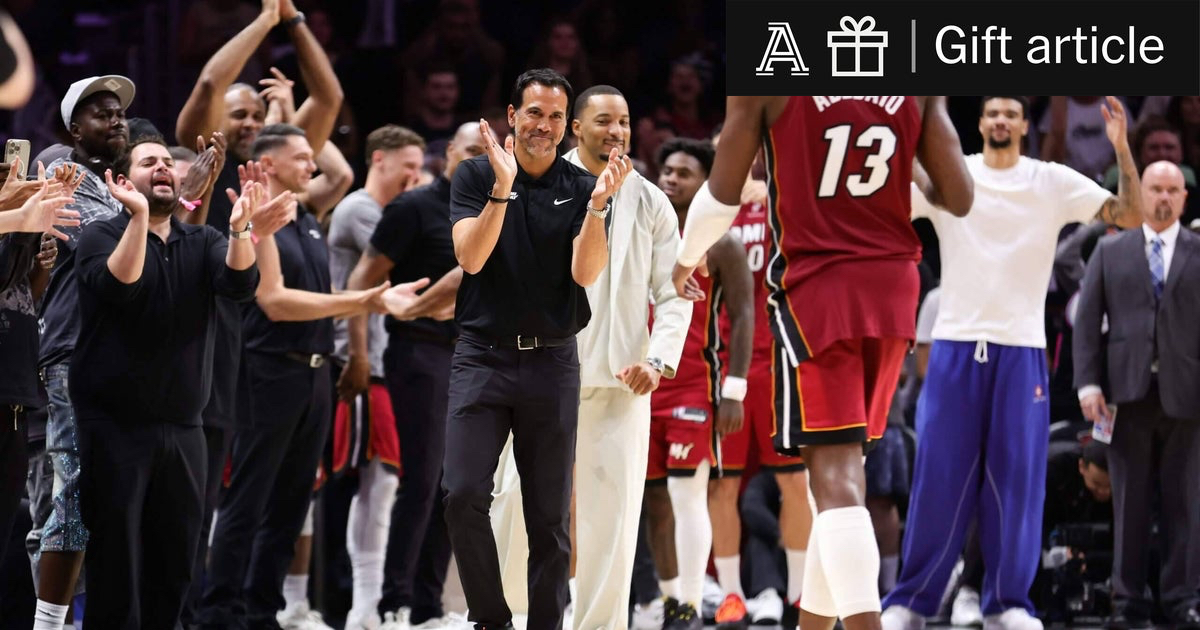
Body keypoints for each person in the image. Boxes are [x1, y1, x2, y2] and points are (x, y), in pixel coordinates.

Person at [672, 95, 974, 630]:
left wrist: (685, 259)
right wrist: (905, 160)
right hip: (894, 291)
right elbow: (958, 196)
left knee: (835, 483)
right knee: (839, 483)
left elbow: (719, 196)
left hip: (819, 292)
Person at [879, 96, 1140, 630]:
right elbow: (886, 205)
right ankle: (912, 601)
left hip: (1021, 348)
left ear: (1024, 125)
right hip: (954, 343)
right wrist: (905, 138)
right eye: (993, 112)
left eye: (1011, 114)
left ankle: (1007, 603)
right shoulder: (953, 175)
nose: (1001, 120)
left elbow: (1130, 214)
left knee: (1018, 480)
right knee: (938, 476)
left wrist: (1122, 148)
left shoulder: (1050, 180)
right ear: (980, 123)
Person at [478, 85, 694, 630]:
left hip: (622, 381)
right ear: (576, 128)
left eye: (624, 121)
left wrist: (659, 361)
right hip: (541, 371)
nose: (616, 131)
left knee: (612, 519)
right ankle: (507, 616)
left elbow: (674, 293)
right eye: (603, 121)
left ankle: (599, 625)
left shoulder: (651, 200)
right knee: (513, 503)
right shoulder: (536, 185)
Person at [442, 68, 630, 630]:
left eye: (554, 116)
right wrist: (502, 189)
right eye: (534, 113)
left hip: (551, 361)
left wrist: (598, 207)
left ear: (567, 125)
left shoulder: (584, 186)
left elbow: (585, 273)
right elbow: (470, 258)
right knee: (462, 494)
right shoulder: (476, 174)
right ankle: (491, 619)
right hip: (482, 355)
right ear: (512, 116)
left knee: (548, 517)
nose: (543, 125)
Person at [196, 124, 403, 630]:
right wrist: (361, 301)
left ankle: (262, 610)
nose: (313, 166)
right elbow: (275, 301)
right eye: (301, 158)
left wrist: (375, 300)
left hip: (315, 374)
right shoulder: (257, 218)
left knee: (292, 504)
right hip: (267, 371)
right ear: (268, 165)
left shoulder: (307, 217)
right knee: (248, 499)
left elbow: (338, 171)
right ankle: (220, 610)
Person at [69, 136, 277, 629]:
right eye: (149, 163)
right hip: (114, 426)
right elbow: (121, 286)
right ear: (122, 181)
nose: (163, 168)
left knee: (176, 561)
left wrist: (241, 229)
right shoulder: (99, 234)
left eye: (168, 162)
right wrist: (140, 217)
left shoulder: (202, 240)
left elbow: (240, 286)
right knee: (117, 559)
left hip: (185, 427)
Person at [348, 122, 486, 629]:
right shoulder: (413, 208)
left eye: (488, 154)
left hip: (472, 357)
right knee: (422, 479)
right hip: (418, 353)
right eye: (471, 150)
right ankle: (394, 603)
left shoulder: (492, 212)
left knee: (458, 485)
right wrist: (360, 355)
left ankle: (429, 607)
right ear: (448, 153)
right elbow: (361, 282)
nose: (478, 160)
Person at [1074, 160, 1200, 630]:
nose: (1163, 197)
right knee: (1129, 503)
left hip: (1188, 394)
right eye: (1155, 189)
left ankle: (1182, 599)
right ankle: (1127, 602)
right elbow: (1087, 322)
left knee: (1185, 503)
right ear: (1141, 194)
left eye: (1172, 190)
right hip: (1125, 393)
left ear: (1184, 198)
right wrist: (1088, 384)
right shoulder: (1111, 251)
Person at [33, 74, 137, 630]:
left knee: (112, 497)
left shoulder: (120, 186)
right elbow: (107, 242)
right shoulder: (61, 173)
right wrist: (151, 212)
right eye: (102, 113)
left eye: (119, 112)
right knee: (68, 495)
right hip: (72, 355)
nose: (116, 120)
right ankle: (48, 624)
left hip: (126, 358)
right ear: (75, 129)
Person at [706, 129, 813, 629]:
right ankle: (731, 594)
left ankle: (800, 593)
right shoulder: (707, 209)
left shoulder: (789, 200)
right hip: (724, 361)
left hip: (780, 360)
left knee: (795, 480)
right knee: (722, 485)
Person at [643, 136, 751, 630]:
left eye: (684, 173)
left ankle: (689, 603)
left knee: (688, 496)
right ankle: (671, 603)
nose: (671, 178)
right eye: (667, 170)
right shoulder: (644, 231)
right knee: (654, 502)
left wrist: (734, 391)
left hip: (696, 387)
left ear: (705, 182)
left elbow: (744, 316)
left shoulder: (723, 241)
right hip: (643, 384)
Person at [326, 124, 425, 629]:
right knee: (365, 486)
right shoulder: (361, 210)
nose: (415, 177)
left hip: (384, 363)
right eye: (408, 167)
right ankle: (355, 604)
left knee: (381, 484)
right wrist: (360, 358)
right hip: (359, 363)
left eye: (420, 169)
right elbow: (408, 263)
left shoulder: (386, 210)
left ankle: (364, 605)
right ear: (379, 160)